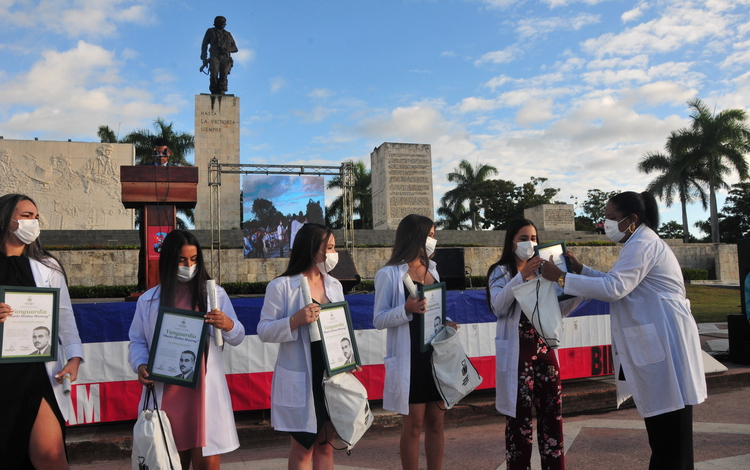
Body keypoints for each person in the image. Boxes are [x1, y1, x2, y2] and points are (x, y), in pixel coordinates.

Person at [541, 191, 707, 470]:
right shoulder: (638, 242)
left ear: (632, 219)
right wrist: (581, 270)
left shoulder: (642, 243)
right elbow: (615, 280)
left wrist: (560, 277)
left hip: (666, 343)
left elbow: (614, 289)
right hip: (662, 341)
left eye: (611, 218)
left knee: (669, 439)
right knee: (667, 437)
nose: (605, 224)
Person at [128, 230, 245, 470]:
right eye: (182, 260)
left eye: (193, 260)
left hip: (202, 392)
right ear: (169, 259)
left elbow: (238, 335)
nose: (189, 266)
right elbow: (137, 341)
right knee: (169, 461)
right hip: (167, 391)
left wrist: (228, 324)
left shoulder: (214, 295)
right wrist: (140, 365)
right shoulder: (149, 300)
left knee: (207, 463)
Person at [486, 218, 582, 470]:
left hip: (545, 353)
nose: (530, 243)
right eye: (524, 238)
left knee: (552, 419)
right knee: (519, 423)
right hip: (518, 357)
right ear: (512, 242)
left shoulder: (545, 273)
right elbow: (498, 305)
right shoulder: (501, 272)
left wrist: (578, 289)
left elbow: (556, 311)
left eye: (534, 238)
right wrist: (521, 276)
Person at [0, 193, 84, 469]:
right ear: (6, 219)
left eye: (36, 217)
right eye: (26, 216)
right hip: (3, 374)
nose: (33, 223)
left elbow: (65, 317)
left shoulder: (48, 267)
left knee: (50, 455)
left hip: (38, 372)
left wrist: (74, 357)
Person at [373, 214, 456, 470]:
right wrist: (405, 310)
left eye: (433, 234)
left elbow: (433, 308)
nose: (433, 240)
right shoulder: (389, 274)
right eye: (429, 235)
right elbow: (378, 319)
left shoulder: (432, 269)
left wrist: (446, 321)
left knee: (437, 422)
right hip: (410, 357)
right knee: (413, 425)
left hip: (435, 355)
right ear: (415, 236)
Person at [257, 223, 342, 470]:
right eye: (330, 248)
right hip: (303, 374)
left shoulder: (334, 285)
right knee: (303, 448)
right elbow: (263, 330)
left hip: (330, 373)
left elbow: (340, 327)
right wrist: (294, 320)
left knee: (326, 445)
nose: (333, 253)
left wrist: (348, 358)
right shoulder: (281, 286)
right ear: (312, 250)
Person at [200, 16, 238, 95]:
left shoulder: (228, 34)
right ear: (216, 22)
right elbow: (204, 45)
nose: (223, 23)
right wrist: (204, 59)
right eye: (220, 21)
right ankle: (213, 89)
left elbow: (235, 48)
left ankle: (222, 89)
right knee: (214, 73)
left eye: (224, 22)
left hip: (225, 57)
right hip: (215, 56)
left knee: (224, 74)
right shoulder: (210, 31)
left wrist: (227, 49)